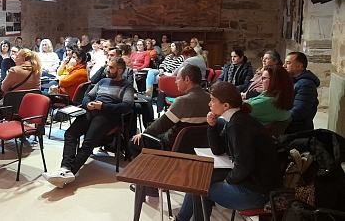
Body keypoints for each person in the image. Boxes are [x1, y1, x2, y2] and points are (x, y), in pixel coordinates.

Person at [175, 82, 283, 221]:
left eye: (212, 100)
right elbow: (218, 150)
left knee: (198, 187)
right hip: (251, 182)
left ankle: (180, 219)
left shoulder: (238, 124)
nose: (209, 104)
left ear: (226, 105)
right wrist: (212, 126)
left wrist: (229, 180)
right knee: (200, 179)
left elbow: (244, 164)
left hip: (256, 192)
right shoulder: (235, 119)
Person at [42, 57, 134, 188]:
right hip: (91, 110)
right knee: (70, 134)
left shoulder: (126, 86)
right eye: (108, 66)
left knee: (88, 142)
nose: (108, 69)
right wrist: (88, 104)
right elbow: (88, 96)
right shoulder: (103, 81)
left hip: (108, 115)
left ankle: (68, 173)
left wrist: (103, 107)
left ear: (120, 70)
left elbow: (127, 106)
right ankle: (65, 169)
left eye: (111, 68)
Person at [129, 64, 209, 195]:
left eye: (178, 78)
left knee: (134, 142)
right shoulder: (209, 98)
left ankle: (149, 186)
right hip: (198, 147)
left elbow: (161, 125)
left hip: (173, 146)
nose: (176, 81)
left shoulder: (183, 101)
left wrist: (143, 134)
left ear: (187, 80)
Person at [283, 52, 320, 133]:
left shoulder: (306, 85)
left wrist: (276, 116)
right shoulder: (293, 80)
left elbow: (299, 112)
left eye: (288, 63)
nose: (284, 66)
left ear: (299, 66)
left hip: (297, 130)